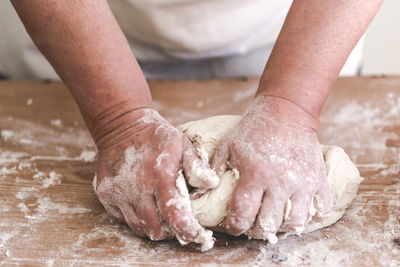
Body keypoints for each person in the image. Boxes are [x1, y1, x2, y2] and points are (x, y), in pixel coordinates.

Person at [10, 0, 382, 245]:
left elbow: (291, 107)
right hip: (83, 28)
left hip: (295, 29)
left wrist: (291, 106)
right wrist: (118, 119)